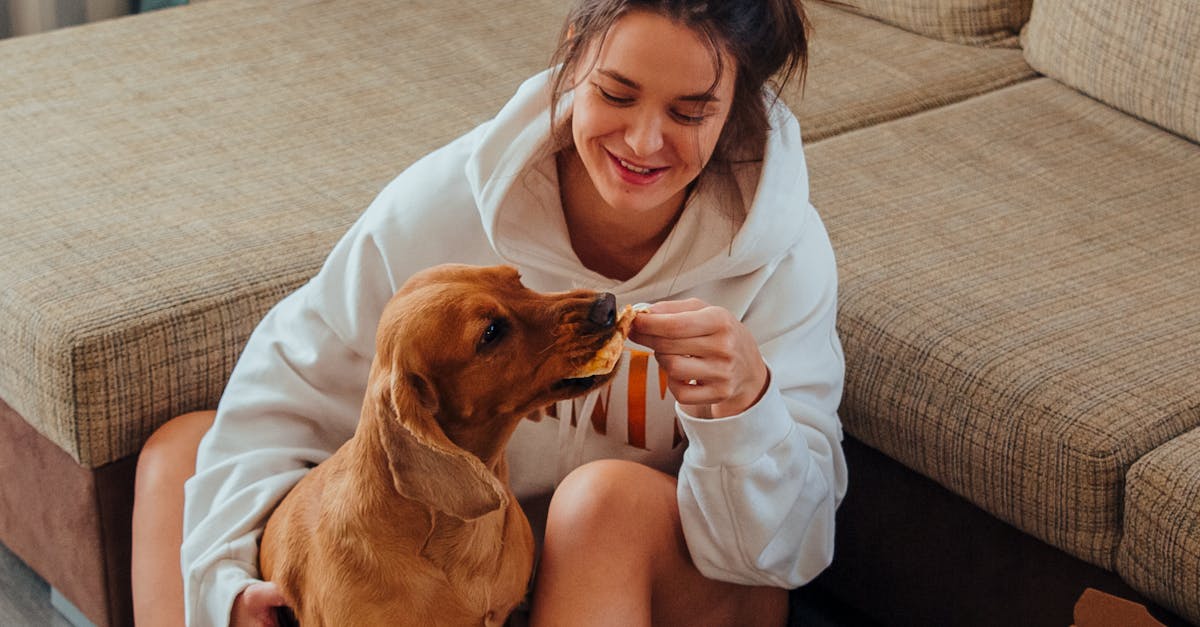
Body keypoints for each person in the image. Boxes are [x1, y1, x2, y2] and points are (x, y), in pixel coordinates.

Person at [131, 0, 848, 624]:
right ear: (574, 50)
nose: (642, 142)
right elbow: (288, 388)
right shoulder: (445, 204)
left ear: (739, 105)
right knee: (180, 454)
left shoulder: (783, 257)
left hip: (671, 580)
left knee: (599, 503)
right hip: (456, 576)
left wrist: (747, 409)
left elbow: (791, 548)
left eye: (689, 112)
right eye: (616, 94)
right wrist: (225, 586)